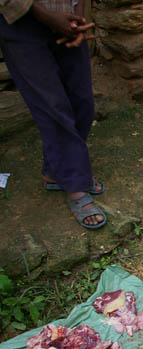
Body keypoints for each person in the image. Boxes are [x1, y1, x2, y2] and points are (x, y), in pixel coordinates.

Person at [0, 0, 106, 229]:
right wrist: (47, 16)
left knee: (82, 101)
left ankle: (54, 172)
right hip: (22, 22)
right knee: (52, 105)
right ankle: (74, 185)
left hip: (68, 17)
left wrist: (77, 18)